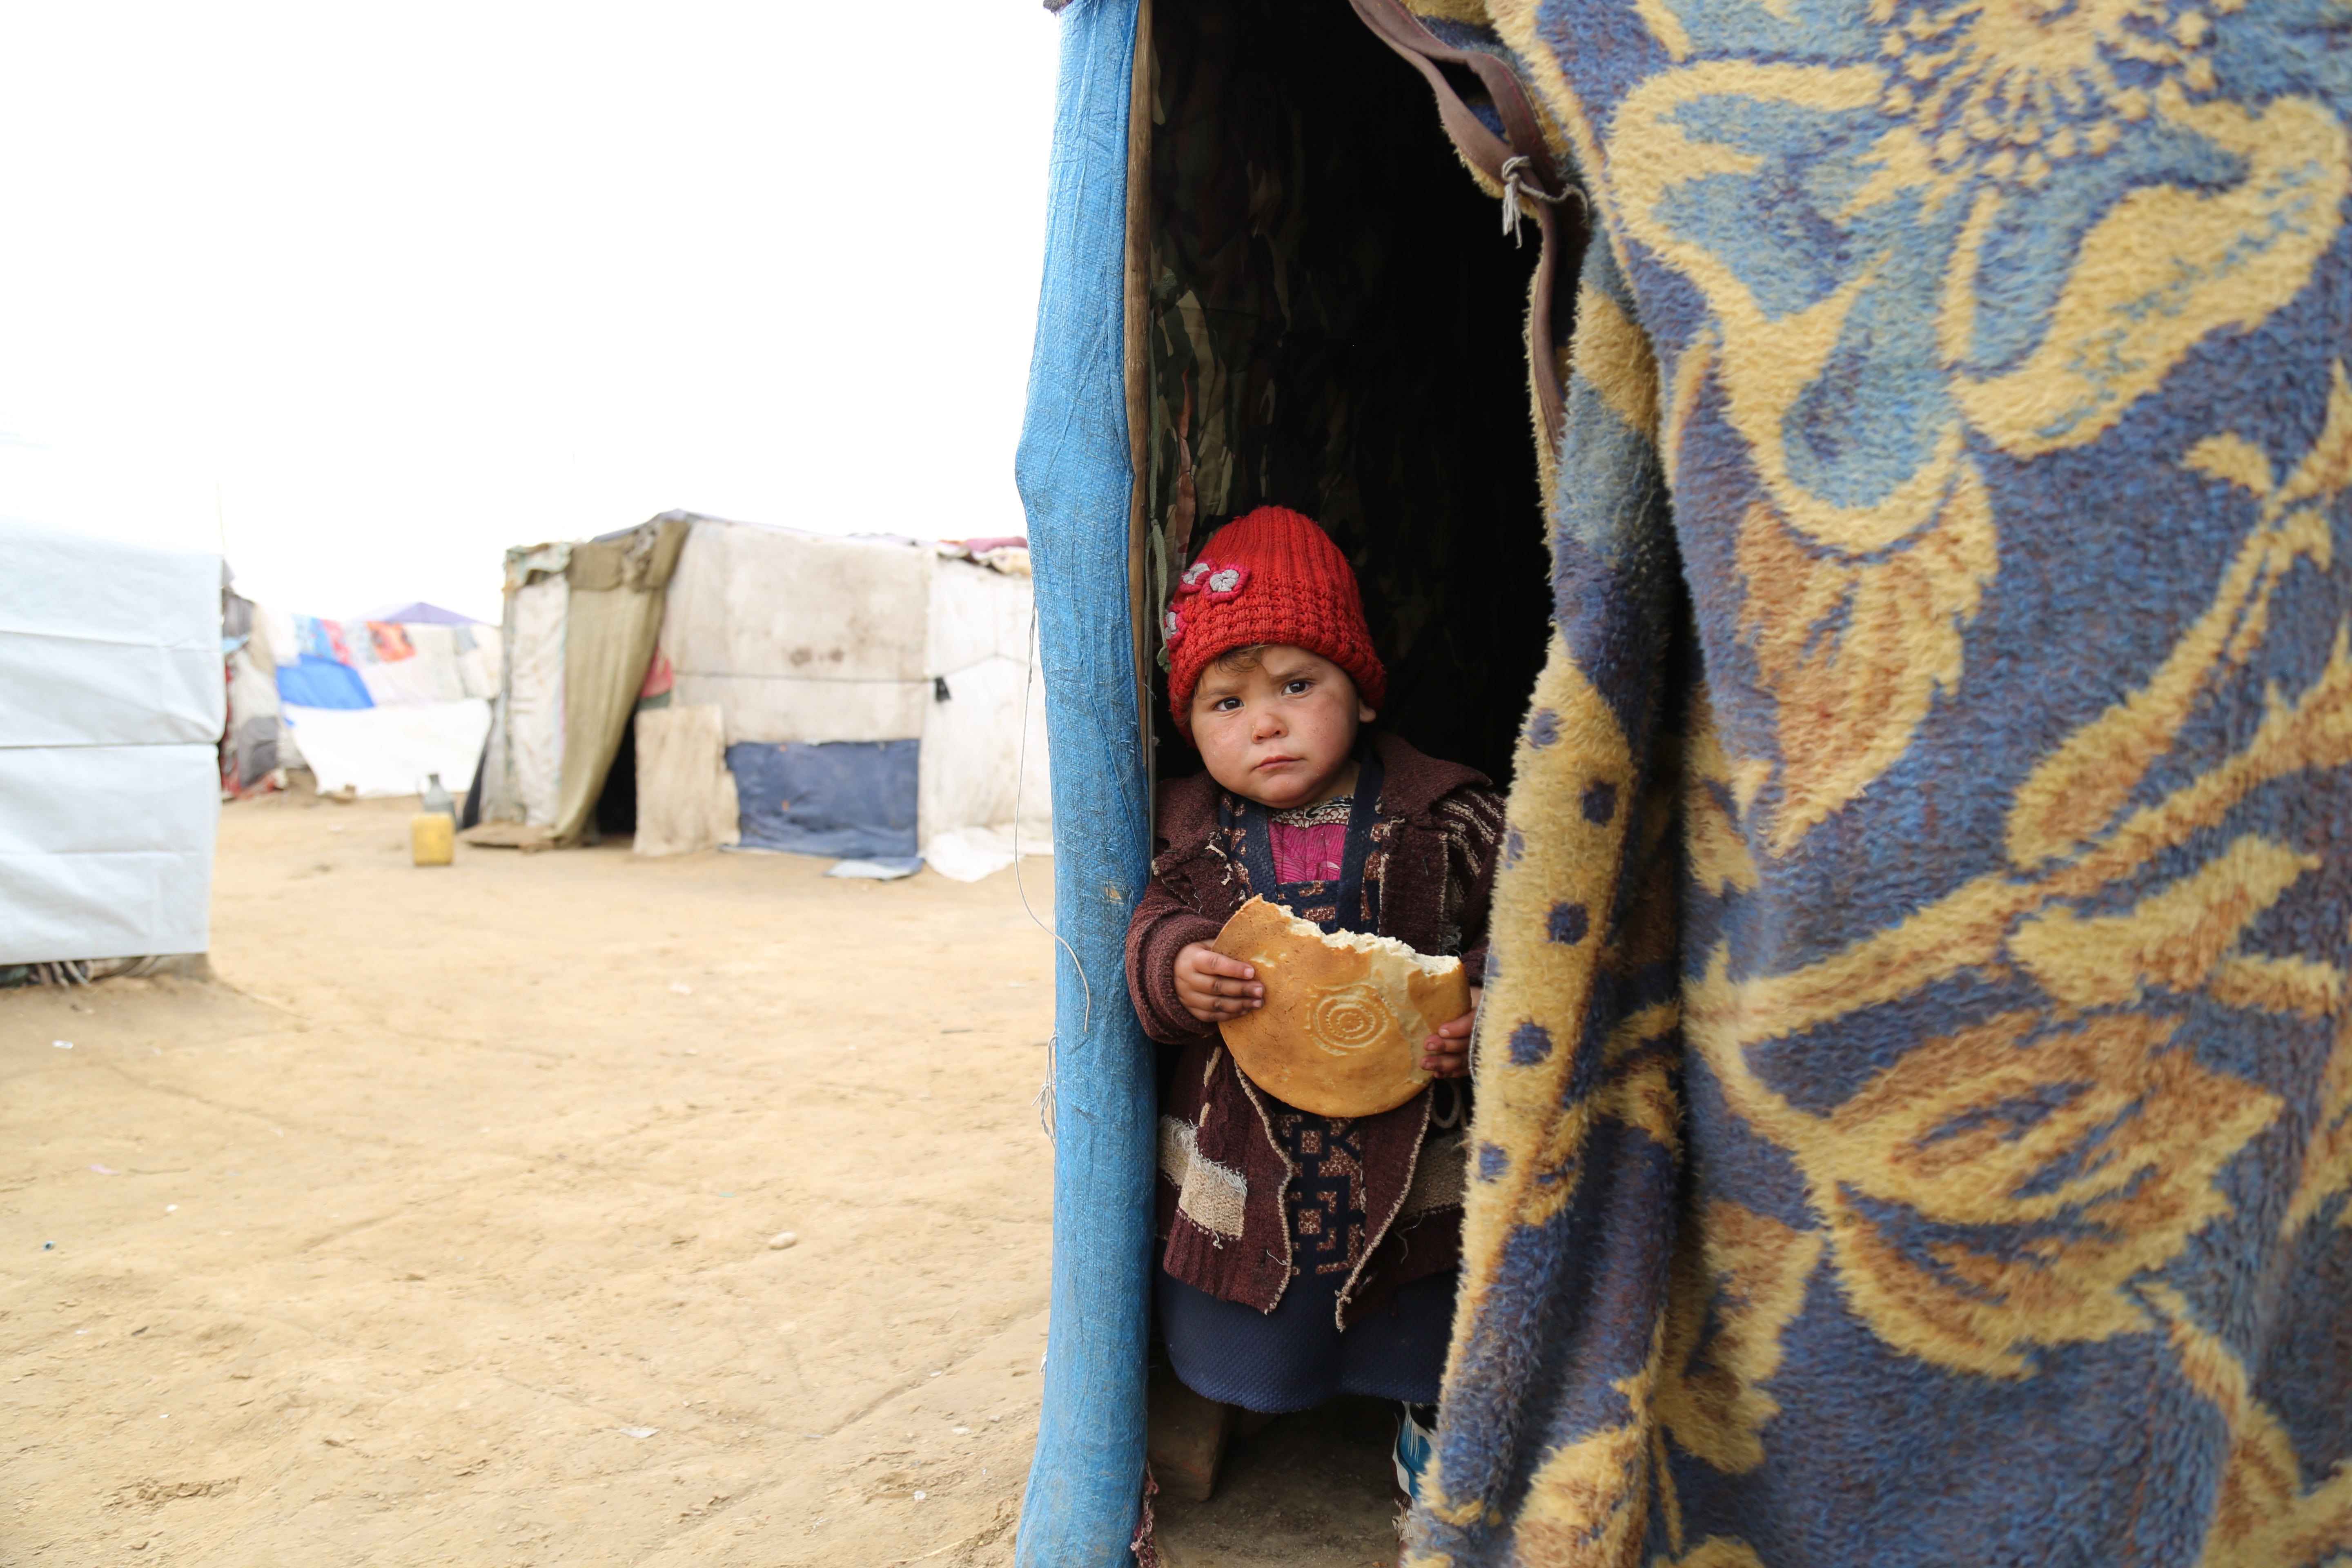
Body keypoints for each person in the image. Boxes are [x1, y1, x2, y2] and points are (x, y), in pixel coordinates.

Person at [1123, 505, 1507, 1519]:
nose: (1267, 722)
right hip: (1249, 1139)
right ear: (1188, 724)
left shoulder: (1452, 816)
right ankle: (1249, 1400)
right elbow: (1149, 930)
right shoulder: (1183, 833)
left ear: (1363, 693)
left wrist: (1490, 1003)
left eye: (1300, 685)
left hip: (1419, 1127)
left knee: (1425, 1303)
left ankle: (1429, 1434)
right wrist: (1179, 968)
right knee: (1260, 1292)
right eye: (1226, 702)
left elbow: (1535, 931)